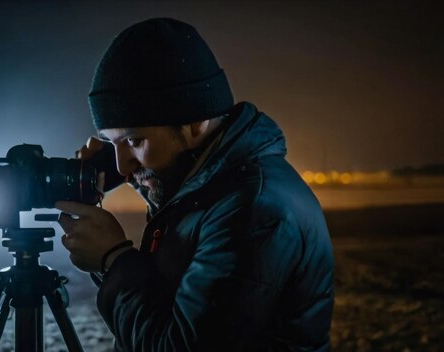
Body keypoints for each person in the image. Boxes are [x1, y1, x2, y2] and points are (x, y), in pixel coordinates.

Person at [55, 18, 334, 351]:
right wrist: (110, 173)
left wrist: (114, 260)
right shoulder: (206, 189)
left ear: (195, 123)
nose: (120, 164)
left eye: (133, 140)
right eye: (111, 143)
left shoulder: (254, 210)